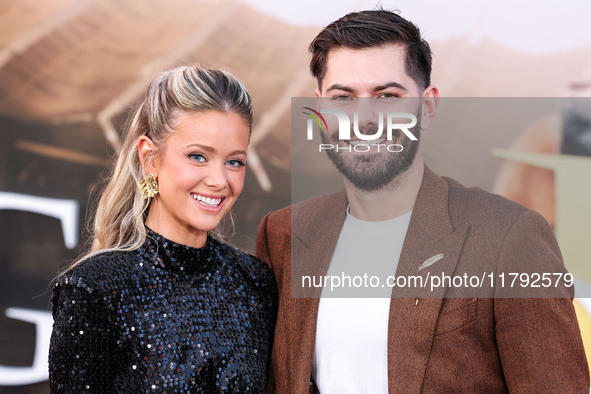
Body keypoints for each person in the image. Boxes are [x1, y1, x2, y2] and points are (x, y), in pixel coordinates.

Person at [256, 9, 589, 393]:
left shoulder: (509, 237)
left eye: (388, 96)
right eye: (343, 97)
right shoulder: (284, 234)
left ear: (427, 107)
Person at [49, 65, 277, 392]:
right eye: (198, 156)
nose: (218, 180)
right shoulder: (94, 289)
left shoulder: (256, 284)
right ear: (150, 158)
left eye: (234, 161)